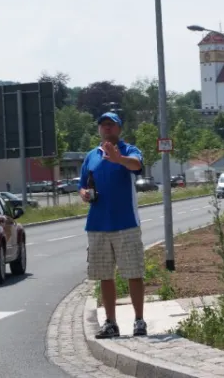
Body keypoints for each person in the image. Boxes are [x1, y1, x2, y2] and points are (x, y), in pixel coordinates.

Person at [78, 112, 147, 339]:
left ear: (119, 128)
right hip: (97, 225)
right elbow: (82, 185)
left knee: (133, 273)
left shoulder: (128, 151)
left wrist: (119, 160)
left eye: (111, 125)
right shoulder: (91, 156)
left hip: (126, 223)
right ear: (99, 129)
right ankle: (111, 323)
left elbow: (137, 165)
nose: (107, 128)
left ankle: (139, 320)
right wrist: (85, 194)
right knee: (104, 275)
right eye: (103, 125)